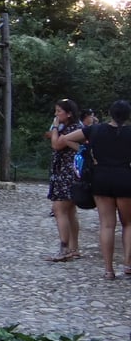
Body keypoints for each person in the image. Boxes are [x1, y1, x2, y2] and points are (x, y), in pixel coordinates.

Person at [63, 100, 131, 280]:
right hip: (125, 179)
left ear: (110, 112)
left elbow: (67, 138)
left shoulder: (95, 130)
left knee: (107, 225)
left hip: (101, 179)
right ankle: (128, 264)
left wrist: (85, 152)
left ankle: (108, 270)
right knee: (128, 224)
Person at [45, 98, 83, 262]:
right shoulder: (72, 127)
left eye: (59, 111)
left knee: (59, 208)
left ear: (68, 113)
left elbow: (57, 144)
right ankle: (74, 248)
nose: (56, 114)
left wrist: (54, 128)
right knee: (70, 211)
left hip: (67, 174)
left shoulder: (73, 128)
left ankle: (64, 248)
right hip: (68, 173)